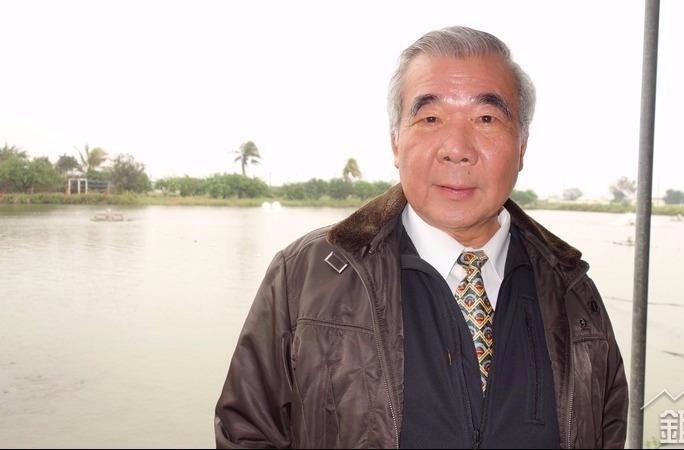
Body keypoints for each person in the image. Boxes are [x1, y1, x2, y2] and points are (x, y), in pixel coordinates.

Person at [214, 26, 628, 449]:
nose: (457, 149)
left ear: (521, 146)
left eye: (486, 119)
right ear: (396, 142)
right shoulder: (306, 276)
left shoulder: (574, 292)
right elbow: (247, 433)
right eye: (431, 119)